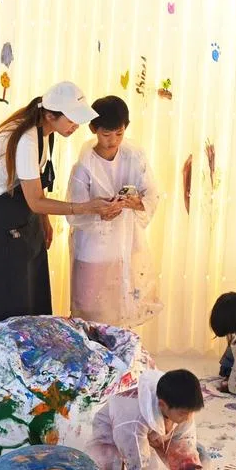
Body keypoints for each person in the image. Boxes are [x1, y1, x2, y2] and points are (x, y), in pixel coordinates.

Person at [0, 81, 120, 322]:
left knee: (31, 300)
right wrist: (87, 207)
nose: (76, 125)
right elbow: (35, 200)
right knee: (4, 308)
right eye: (71, 119)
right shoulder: (26, 139)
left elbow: (36, 188)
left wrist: (44, 220)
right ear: (51, 115)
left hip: (23, 221)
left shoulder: (45, 132)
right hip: (1, 227)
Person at [66, 95, 161, 328]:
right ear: (93, 129)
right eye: (106, 134)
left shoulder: (134, 157)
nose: (113, 141)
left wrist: (135, 202)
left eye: (119, 133)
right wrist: (100, 213)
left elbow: (152, 195)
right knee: (89, 314)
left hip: (125, 244)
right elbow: (74, 212)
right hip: (92, 250)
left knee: (120, 313)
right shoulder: (83, 167)